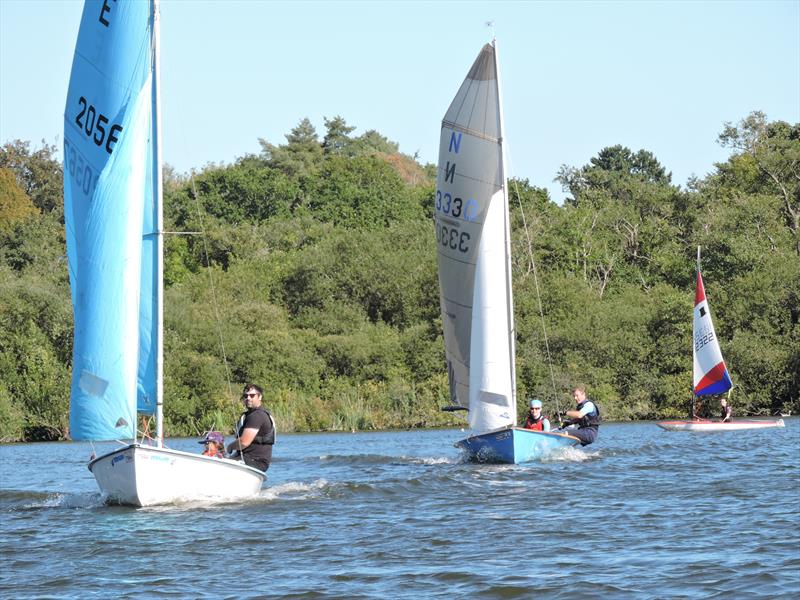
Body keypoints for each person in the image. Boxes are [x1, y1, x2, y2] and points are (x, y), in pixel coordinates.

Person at [226, 383, 275, 472]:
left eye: (252, 395)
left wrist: (230, 447)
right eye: (246, 396)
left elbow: (244, 442)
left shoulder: (257, 415)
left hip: (255, 462)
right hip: (247, 460)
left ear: (260, 397)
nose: (248, 398)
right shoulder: (250, 415)